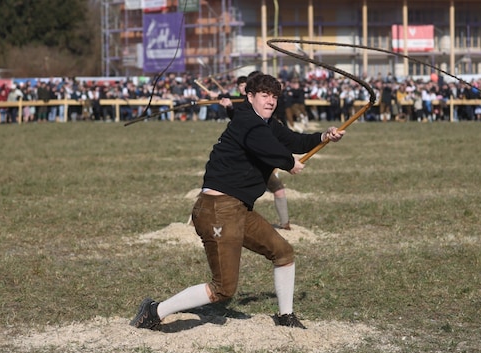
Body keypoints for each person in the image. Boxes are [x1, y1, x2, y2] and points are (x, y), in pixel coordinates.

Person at [130, 73, 345, 331]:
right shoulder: (247, 122)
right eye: (264, 95)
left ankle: (286, 316)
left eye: (274, 96)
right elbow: (267, 148)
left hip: (239, 209)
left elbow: (293, 140)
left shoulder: (266, 124)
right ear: (250, 97)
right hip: (218, 209)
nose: (270, 101)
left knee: (283, 252)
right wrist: (288, 163)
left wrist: (323, 136)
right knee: (223, 289)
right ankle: (154, 311)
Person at [220, 72, 291, 230]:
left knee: (278, 189)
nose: (270, 101)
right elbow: (237, 117)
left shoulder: (265, 107)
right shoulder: (245, 108)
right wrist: (230, 107)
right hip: (244, 165)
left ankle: (285, 225)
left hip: (261, 162)